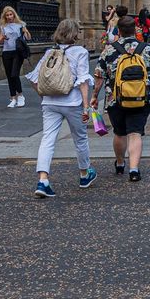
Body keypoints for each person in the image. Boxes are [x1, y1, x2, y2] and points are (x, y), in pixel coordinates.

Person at [25, 19, 95, 198]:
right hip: (73, 103)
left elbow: (34, 79)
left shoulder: (50, 52)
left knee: (47, 139)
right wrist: (86, 107)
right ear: (74, 33)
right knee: (80, 139)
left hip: (50, 103)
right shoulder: (80, 52)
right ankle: (84, 174)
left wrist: (44, 96)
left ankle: (43, 180)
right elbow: (83, 81)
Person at [94, 16, 150, 182]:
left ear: (119, 30)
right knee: (135, 132)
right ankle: (134, 169)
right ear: (136, 29)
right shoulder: (147, 49)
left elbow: (99, 76)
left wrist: (95, 96)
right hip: (141, 97)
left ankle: (119, 163)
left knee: (119, 132)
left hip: (115, 98)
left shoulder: (108, 51)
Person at [0, 6, 31, 109]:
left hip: (18, 52)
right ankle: (13, 98)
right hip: (6, 52)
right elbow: (0, 41)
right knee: (9, 76)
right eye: (7, 15)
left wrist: (25, 31)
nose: (9, 17)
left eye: (10, 14)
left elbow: (28, 38)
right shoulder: (3, 26)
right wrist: (3, 37)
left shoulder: (21, 24)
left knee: (14, 74)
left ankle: (20, 96)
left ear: (14, 14)